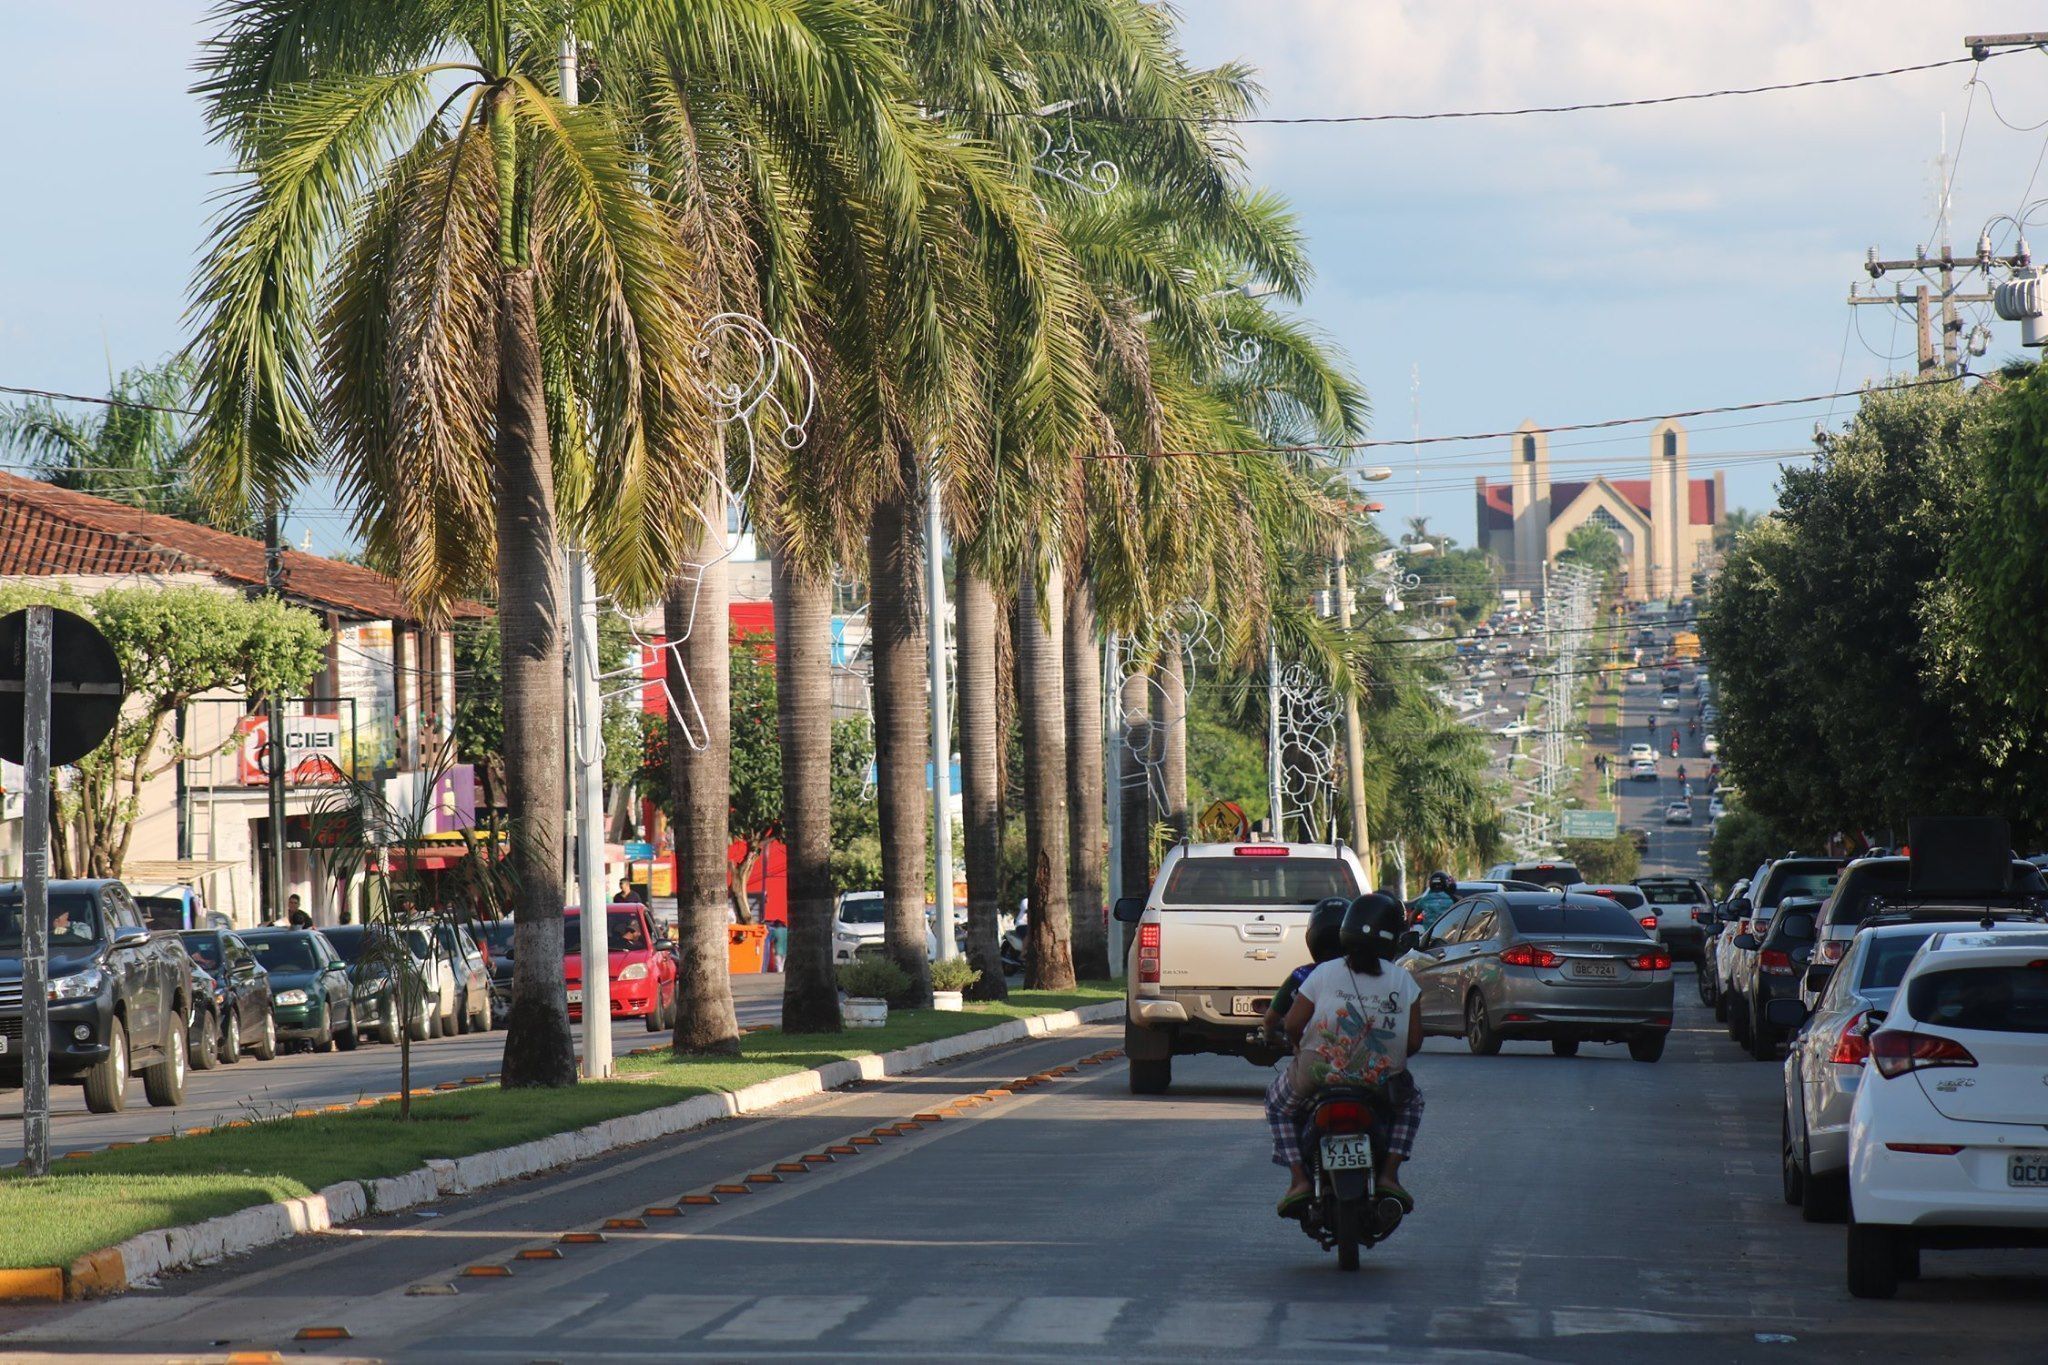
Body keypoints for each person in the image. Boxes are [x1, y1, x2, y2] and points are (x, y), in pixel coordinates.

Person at [1272, 893, 1425, 1217]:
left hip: (1317, 1071)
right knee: (1411, 1104)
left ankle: (1299, 1180)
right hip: (1380, 1076)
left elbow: (1294, 1023)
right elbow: (1413, 1042)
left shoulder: (1323, 973)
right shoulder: (1403, 980)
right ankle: (1389, 1175)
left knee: (1279, 1105)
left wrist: (1298, 1044)